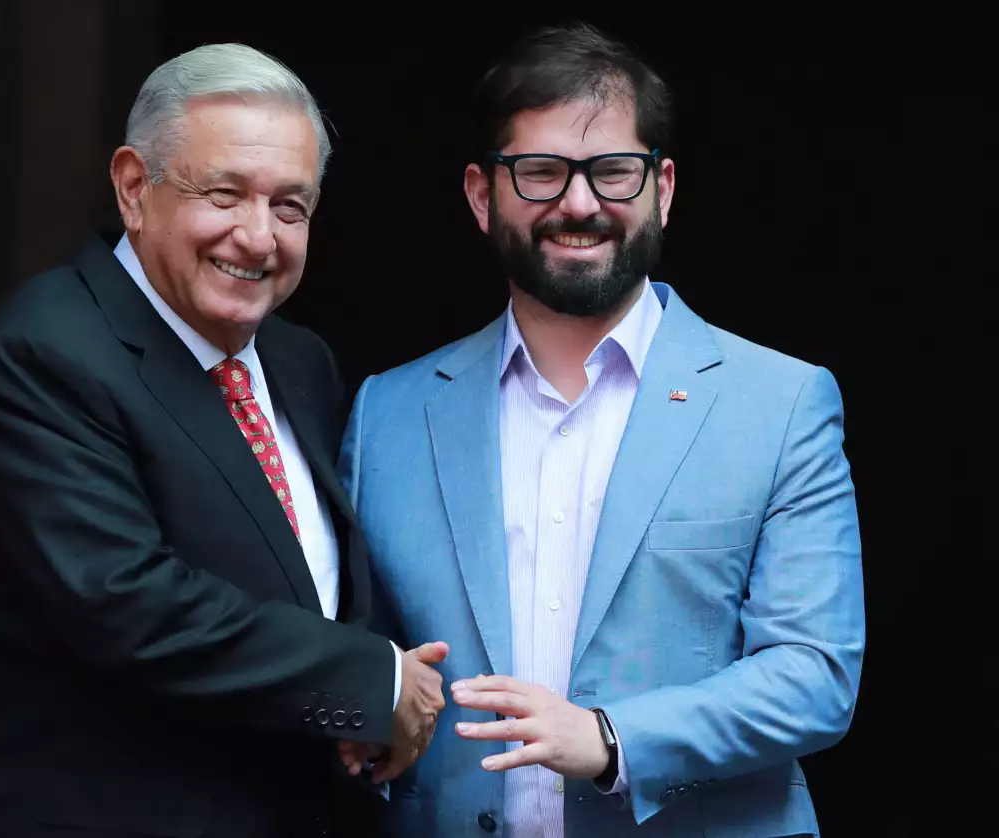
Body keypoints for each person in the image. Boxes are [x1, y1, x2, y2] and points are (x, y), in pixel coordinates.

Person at [0, 43, 447, 838]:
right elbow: (126, 605)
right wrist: (375, 682)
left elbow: (300, 581)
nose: (258, 236)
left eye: (290, 206)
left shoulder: (299, 361)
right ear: (132, 187)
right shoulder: (45, 352)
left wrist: (356, 705)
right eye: (225, 194)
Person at [339, 24, 864, 838]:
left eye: (613, 171)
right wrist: (364, 716)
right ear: (481, 195)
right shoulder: (388, 413)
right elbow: (354, 661)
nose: (579, 204)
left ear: (663, 188)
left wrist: (612, 739)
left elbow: (815, 674)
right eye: (541, 172)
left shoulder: (781, 402)